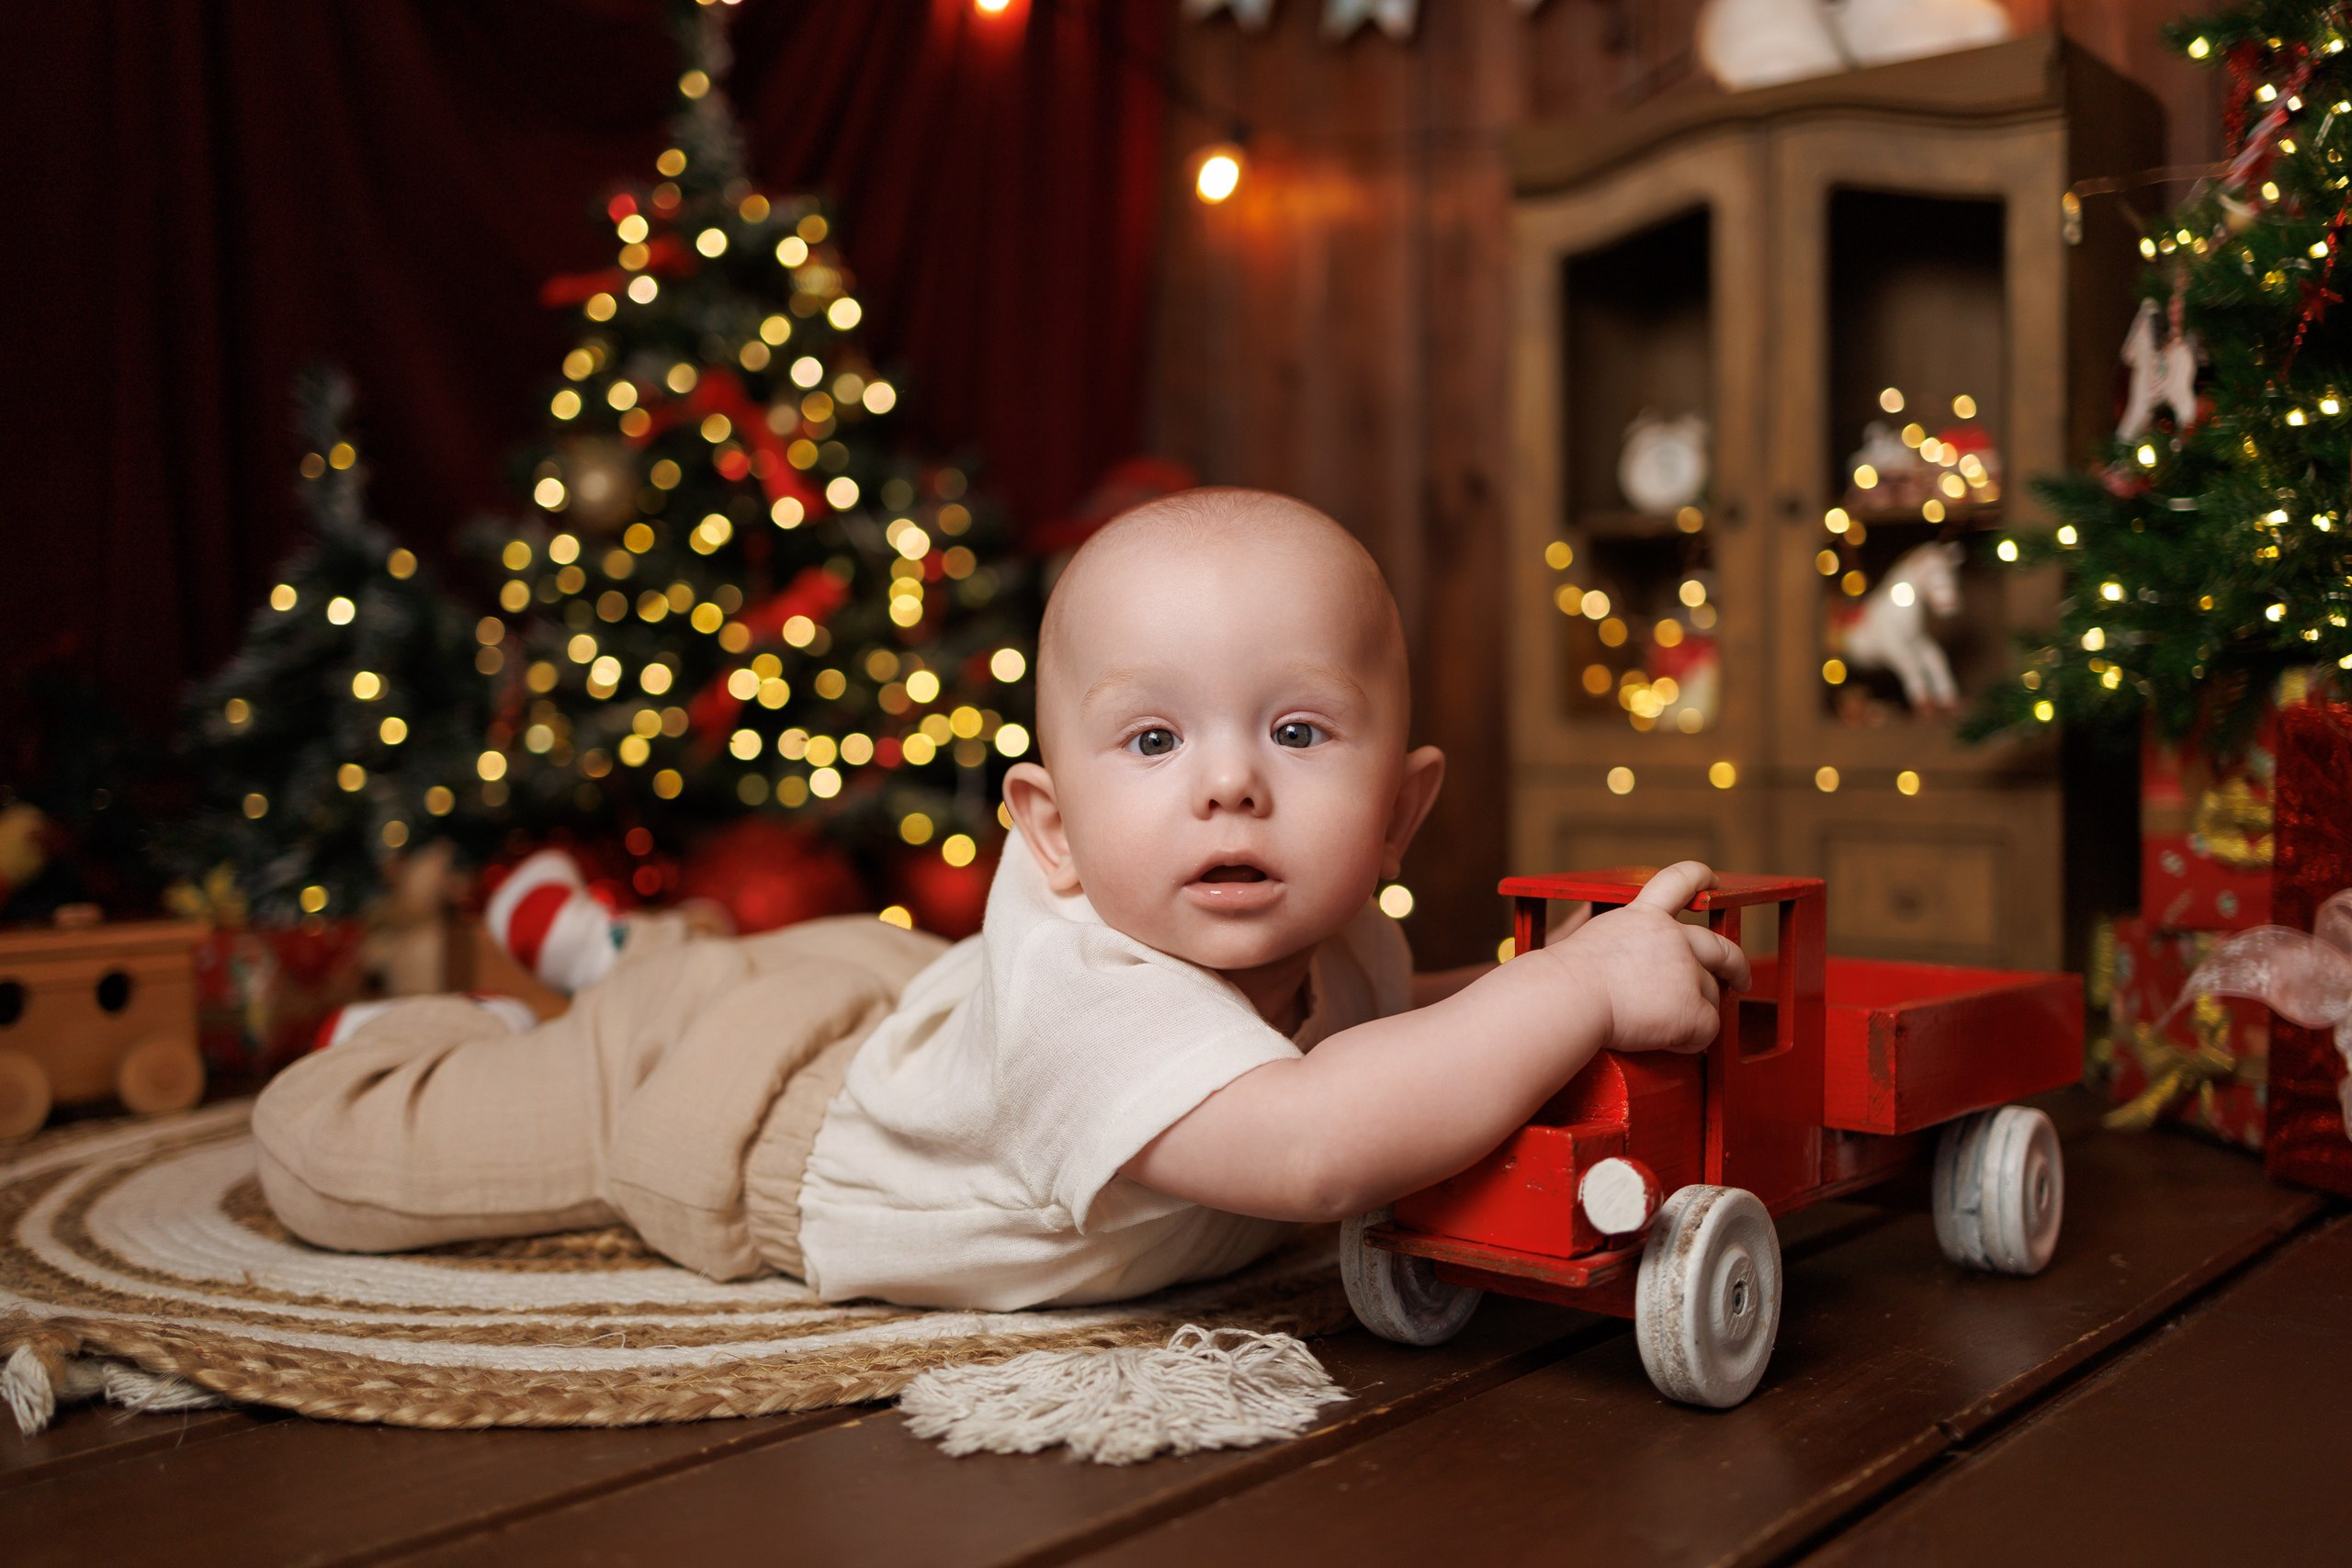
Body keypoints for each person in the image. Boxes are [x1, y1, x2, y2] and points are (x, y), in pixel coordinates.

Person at [254, 488, 1748, 1311]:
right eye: (1153, 740)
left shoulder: (1332, 927)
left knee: (725, 967)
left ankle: (621, 946)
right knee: (342, 1165)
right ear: (1052, 829)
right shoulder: (1098, 1001)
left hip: (888, 997)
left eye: (1297, 732)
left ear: (1403, 809)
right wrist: (1580, 989)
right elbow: (1307, 1143)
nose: (1231, 787)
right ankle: (436, 1025)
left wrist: (1521, 987)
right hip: (737, 1122)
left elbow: (1379, 1042)